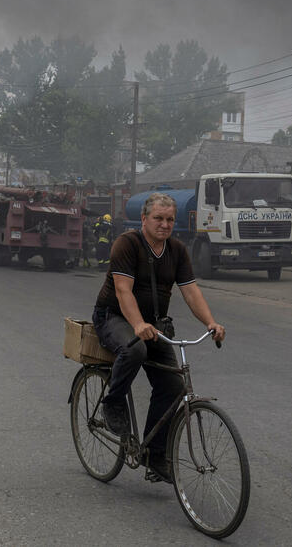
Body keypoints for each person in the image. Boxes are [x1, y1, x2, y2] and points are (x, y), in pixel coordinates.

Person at [91, 192, 226, 483]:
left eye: (169, 219)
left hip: (154, 324)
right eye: (158, 219)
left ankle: (154, 454)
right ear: (144, 219)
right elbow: (123, 291)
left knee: (173, 384)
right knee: (135, 350)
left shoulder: (176, 250)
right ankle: (113, 403)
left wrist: (211, 322)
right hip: (113, 317)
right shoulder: (127, 244)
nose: (164, 225)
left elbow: (191, 292)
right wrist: (138, 323)